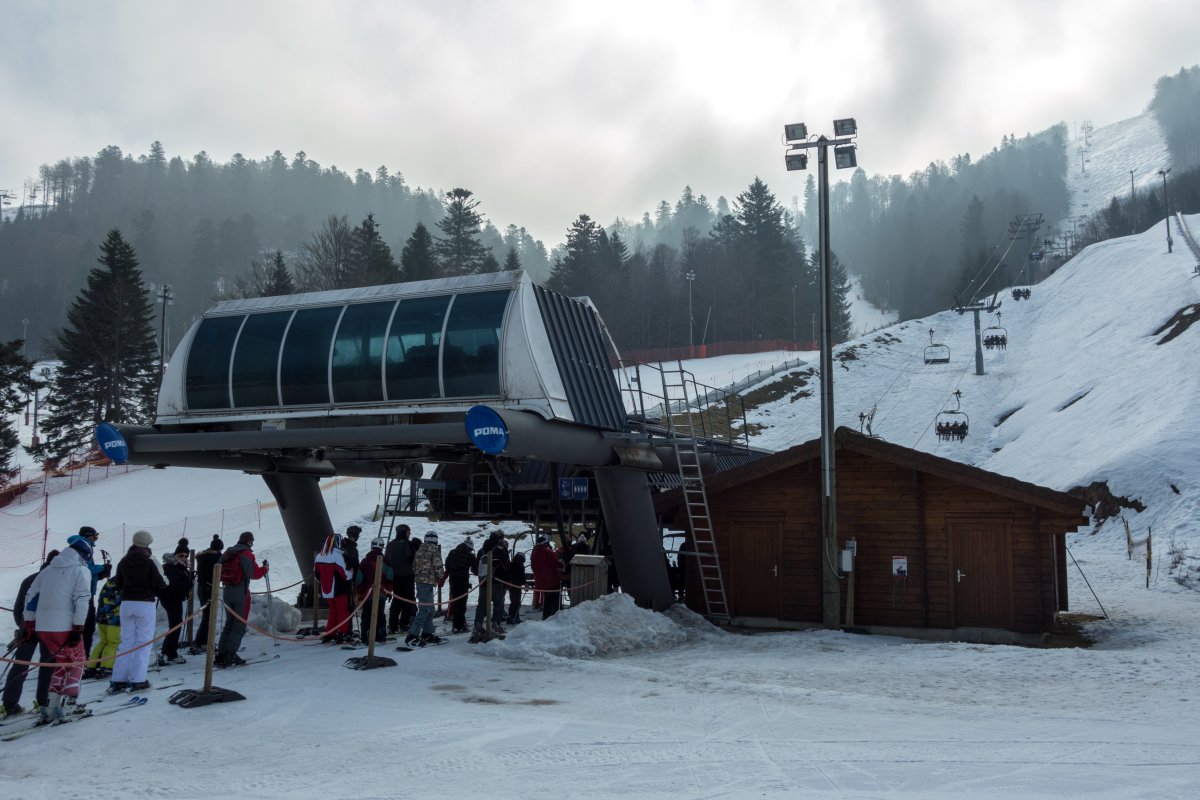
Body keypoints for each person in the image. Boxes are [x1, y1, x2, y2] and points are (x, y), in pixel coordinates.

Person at [24, 538, 92, 722]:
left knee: (62, 662)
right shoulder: (80, 570)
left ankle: (51, 705)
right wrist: (78, 627)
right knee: (77, 661)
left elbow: (31, 595)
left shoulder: (47, 570)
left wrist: (29, 623)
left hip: (44, 626)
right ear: (84, 555)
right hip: (65, 625)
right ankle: (70, 704)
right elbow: (82, 599)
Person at [2, 549, 57, 719]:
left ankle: (10, 703)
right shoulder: (58, 580)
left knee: (20, 664)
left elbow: (19, 606)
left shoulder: (30, 579)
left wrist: (22, 625)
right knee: (47, 665)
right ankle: (43, 701)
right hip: (49, 629)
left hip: (28, 628)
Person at [110, 530, 167, 693]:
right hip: (145, 603)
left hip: (126, 604)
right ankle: (138, 680)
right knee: (143, 642)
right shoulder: (149, 562)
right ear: (147, 545)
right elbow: (160, 583)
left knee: (126, 641)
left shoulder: (124, 561)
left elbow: (118, 582)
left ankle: (118, 679)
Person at [215, 531, 268, 667]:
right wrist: (264, 569)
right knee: (239, 624)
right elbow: (253, 573)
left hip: (227, 590)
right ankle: (230, 655)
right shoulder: (247, 554)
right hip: (241, 591)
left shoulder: (228, 552)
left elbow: (218, 567)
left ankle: (221, 653)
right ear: (249, 542)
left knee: (229, 623)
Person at [74, 526, 111, 661]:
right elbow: (86, 569)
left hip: (86, 592)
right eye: (95, 536)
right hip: (84, 594)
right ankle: (82, 658)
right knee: (87, 628)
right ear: (88, 536)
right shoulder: (82, 547)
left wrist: (99, 575)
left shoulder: (82, 546)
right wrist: (102, 568)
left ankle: (82, 657)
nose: (96, 539)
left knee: (86, 627)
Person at [406, 532, 444, 647]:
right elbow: (438, 567)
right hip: (427, 583)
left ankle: (427, 633)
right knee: (425, 610)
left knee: (430, 610)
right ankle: (412, 635)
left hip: (421, 582)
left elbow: (414, 566)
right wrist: (440, 579)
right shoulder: (434, 550)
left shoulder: (419, 550)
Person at [157, 540, 191, 666]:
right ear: (175, 555)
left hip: (174, 598)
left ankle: (171, 652)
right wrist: (188, 584)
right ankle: (167, 653)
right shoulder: (172, 567)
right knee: (175, 625)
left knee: (176, 624)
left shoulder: (178, 566)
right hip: (171, 598)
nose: (184, 557)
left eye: (186, 556)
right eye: (181, 555)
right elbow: (174, 585)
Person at [313, 533, 351, 643]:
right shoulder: (337, 556)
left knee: (333, 611)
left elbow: (316, 575)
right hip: (338, 589)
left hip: (326, 590)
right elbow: (344, 574)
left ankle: (330, 632)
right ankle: (343, 633)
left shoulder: (319, 556)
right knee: (342, 612)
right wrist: (351, 573)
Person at [471, 532, 509, 640]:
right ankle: (495, 625)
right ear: (498, 540)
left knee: (482, 604)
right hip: (496, 581)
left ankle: (477, 625)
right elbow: (505, 564)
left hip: (484, 581)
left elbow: (475, 567)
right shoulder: (500, 550)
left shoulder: (481, 551)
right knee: (499, 603)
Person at [190, 535, 223, 653]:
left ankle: (202, 641)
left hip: (202, 587)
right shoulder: (216, 557)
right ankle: (202, 642)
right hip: (210, 587)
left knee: (207, 615)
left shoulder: (202, 557)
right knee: (209, 616)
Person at [356, 537, 392, 643]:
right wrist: (388, 590)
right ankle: (380, 635)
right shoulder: (386, 562)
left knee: (366, 615)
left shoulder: (365, 561)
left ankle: (366, 637)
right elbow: (390, 577)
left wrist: (360, 591)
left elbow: (359, 578)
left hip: (367, 594)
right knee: (380, 614)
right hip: (381, 593)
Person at [83, 576, 121, 678]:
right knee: (112, 642)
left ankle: (92, 666)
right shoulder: (122, 584)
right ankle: (106, 666)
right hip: (114, 618)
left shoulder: (109, 583)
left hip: (102, 616)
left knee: (103, 642)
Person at [384, 524, 417, 634]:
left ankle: (393, 625)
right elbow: (410, 559)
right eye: (408, 532)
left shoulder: (391, 544)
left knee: (396, 600)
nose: (409, 534)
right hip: (407, 576)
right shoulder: (407, 544)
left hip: (394, 577)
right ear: (404, 532)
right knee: (407, 601)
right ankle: (404, 624)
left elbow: (386, 560)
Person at [443, 537, 475, 633]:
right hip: (463, 580)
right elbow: (475, 569)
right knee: (461, 604)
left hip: (453, 580)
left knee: (456, 602)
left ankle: (458, 624)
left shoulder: (452, 552)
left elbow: (447, 565)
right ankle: (458, 626)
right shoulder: (470, 555)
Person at [531, 534, 564, 620]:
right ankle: (554, 618)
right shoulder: (546, 551)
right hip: (553, 580)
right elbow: (555, 561)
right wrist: (561, 563)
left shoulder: (534, 553)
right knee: (554, 601)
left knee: (547, 602)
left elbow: (533, 567)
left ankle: (545, 617)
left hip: (542, 581)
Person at [506, 552, 526, 625]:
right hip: (516, 586)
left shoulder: (511, 564)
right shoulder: (520, 566)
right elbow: (522, 577)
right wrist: (525, 583)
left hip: (511, 585)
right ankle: (514, 617)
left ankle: (512, 617)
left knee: (514, 602)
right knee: (516, 602)